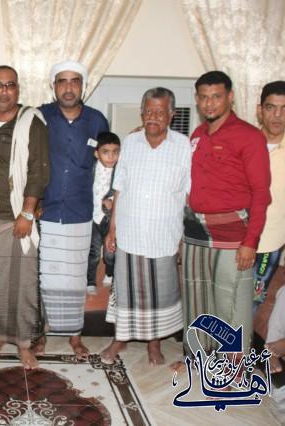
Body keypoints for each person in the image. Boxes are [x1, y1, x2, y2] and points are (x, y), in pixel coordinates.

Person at [182, 71, 270, 358]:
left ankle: (234, 365)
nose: (209, 103)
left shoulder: (250, 136)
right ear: (197, 100)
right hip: (195, 232)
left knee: (231, 302)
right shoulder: (196, 135)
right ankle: (198, 357)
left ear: (230, 97)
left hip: (234, 234)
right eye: (204, 97)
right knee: (197, 298)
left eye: (216, 96)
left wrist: (250, 242)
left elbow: (261, 194)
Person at [102, 88, 190, 366]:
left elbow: (188, 194)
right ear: (142, 113)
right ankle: (120, 339)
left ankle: (154, 343)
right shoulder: (130, 142)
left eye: (160, 112)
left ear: (171, 115)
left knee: (159, 293)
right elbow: (119, 188)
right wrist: (112, 229)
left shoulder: (184, 146)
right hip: (130, 232)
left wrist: (183, 238)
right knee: (126, 290)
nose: (153, 116)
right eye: (148, 111)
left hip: (164, 234)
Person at [0, 65, 49, 368]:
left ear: (18, 89)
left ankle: (24, 344)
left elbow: (39, 170)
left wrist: (27, 212)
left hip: (16, 217)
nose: (4, 91)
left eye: (10, 85)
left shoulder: (31, 122)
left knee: (22, 285)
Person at [38, 60, 109, 358]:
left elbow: (107, 162)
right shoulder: (40, 116)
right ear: (53, 86)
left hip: (81, 211)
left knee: (77, 277)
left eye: (74, 81)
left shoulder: (97, 120)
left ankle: (75, 336)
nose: (68, 88)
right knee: (44, 276)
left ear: (83, 86)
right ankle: (40, 333)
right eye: (62, 81)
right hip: (46, 211)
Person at [253, 81, 285, 311]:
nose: (278, 115)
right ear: (260, 110)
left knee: (253, 300)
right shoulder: (244, 143)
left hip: (269, 243)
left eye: (284, 109)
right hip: (232, 239)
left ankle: (241, 337)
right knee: (223, 299)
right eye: (271, 107)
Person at [86, 132, 120, 295]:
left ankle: (110, 273)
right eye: (106, 152)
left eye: (115, 152)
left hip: (110, 219)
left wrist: (112, 202)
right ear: (96, 153)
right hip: (93, 217)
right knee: (93, 252)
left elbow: (123, 192)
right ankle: (90, 281)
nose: (111, 157)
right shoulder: (91, 168)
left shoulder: (120, 171)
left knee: (110, 253)